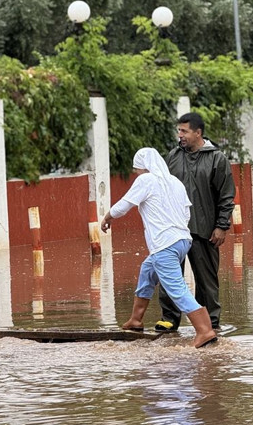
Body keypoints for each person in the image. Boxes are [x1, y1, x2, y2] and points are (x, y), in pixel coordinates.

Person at [100, 147, 218, 348]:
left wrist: (107, 217)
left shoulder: (146, 180)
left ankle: (204, 330)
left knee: (176, 288)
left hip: (164, 244)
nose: (136, 173)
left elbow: (124, 205)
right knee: (147, 271)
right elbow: (186, 213)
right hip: (182, 241)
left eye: (137, 169)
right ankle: (136, 320)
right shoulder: (175, 182)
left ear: (143, 167)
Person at [157, 112, 235, 332]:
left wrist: (221, 226)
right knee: (170, 275)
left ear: (198, 133)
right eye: (179, 131)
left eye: (184, 131)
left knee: (206, 280)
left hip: (205, 229)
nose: (180, 135)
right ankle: (169, 319)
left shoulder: (217, 159)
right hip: (174, 231)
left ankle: (210, 323)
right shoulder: (173, 156)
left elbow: (226, 196)